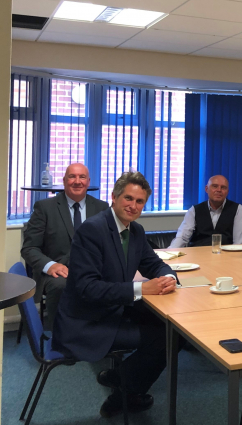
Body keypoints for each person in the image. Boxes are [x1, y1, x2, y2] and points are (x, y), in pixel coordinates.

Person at [53, 172, 177, 418]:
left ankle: (119, 376)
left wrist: (169, 278)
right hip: (88, 321)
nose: (133, 206)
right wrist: (141, 289)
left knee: (172, 327)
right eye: (128, 198)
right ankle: (124, 396)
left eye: (139, 201)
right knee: (165, 338)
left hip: (113, 307)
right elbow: (87, 288)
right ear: (114, 197)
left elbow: (154, 264)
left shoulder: (136, 231)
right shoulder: (92, 230)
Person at [21, 163, 108, 329]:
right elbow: (29, 248)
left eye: (82, 177)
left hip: (92, 270)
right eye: (72, 176)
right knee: (63, 285)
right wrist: (50, 265)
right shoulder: (45, 208)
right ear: (64, 180)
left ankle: (102, 338)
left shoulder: (101, 208)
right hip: (58, 273)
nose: (77, 181)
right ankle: (60, 339)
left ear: (88, 182)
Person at [169, 174, 242, 248]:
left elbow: (239, 242)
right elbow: (182, 237)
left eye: (223, 187)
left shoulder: (237, 209)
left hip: (226, 257)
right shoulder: (194, 210)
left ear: (227, 191)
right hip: (198, 255)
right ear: (207, 189)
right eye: (215, 186)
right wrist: (170, 253)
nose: (219, 190)